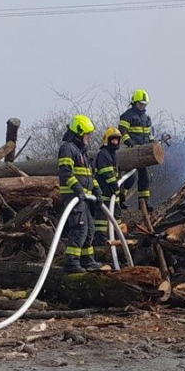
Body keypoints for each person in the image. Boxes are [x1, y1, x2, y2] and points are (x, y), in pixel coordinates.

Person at [56, 114, 102, 272]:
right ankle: (71, 262)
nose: (88, 138)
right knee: (79, 228)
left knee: (90, 229)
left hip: (85, 197)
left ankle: (87, 260)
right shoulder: (68, 148)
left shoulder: (82, 152)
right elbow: (66, 174)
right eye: (87, 134)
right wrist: (78, 190)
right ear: (78, 132)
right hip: (74, 196)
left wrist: (97, 190)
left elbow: (90, 175)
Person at [118, 89, 155, 208]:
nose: (142, 106)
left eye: (144, 104)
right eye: (140, 104)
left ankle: (144, 202)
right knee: (130, 177)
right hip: (131, 152)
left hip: (143, 153)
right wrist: (129, 141)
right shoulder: (127, 116)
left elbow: (149, 135)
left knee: (145, 178)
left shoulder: (146, 118)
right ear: (135, 102)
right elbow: (122, 131)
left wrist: (152, 143)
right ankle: (120, 198)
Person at [93, 126, 125, 251]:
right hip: (104, 191)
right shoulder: (103, 154)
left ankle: (118, 239)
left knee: (117, 216)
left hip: (113, 193)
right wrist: (115, 186)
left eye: (117, 140)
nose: (115, 142)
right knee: (101, 219)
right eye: (113, 140)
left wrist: (121, 191)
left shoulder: (113, 155)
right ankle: (100, 242)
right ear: (107, 140)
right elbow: (107, 172)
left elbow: (117, 174)